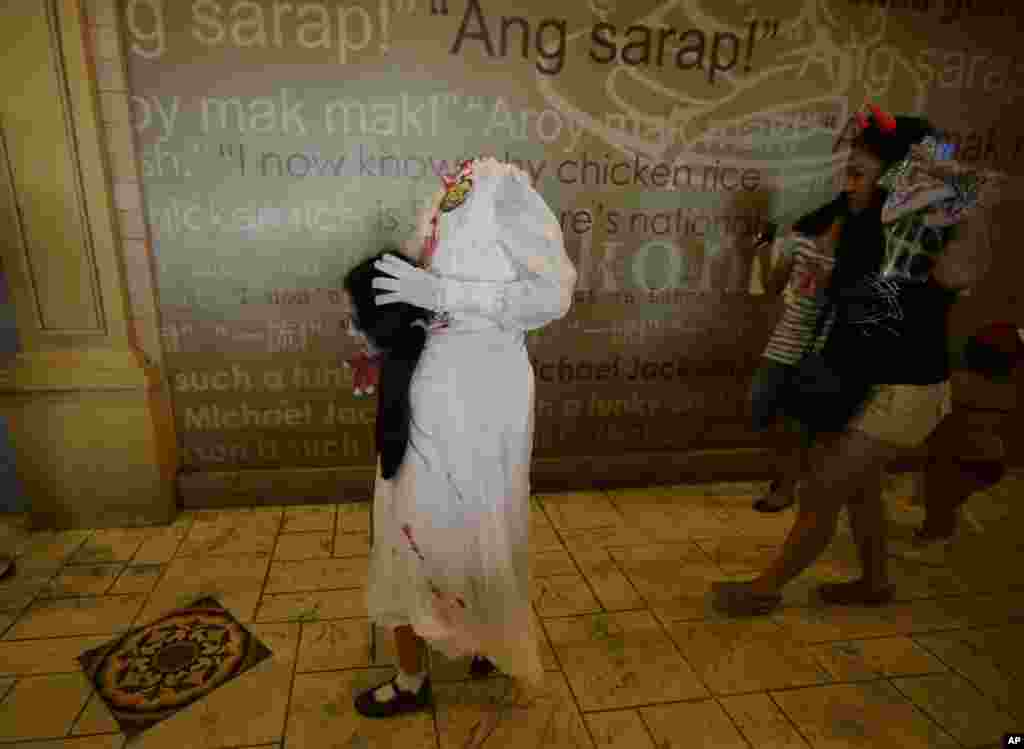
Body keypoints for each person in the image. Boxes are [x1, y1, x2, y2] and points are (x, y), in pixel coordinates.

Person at [712, 105, 1001, 615]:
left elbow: (963, 265)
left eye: (858, 174)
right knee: (860, 491)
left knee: (823, 490)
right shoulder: (863, 226)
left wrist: (958, 187)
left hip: (907, 391)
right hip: (866, 383)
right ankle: (875, 583)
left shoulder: (930, 235)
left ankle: (765, 589)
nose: (847, 184)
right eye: (847, 171)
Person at [354, 157, 577, 717]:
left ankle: (483, 636)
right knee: (406, 519)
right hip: (423, 381)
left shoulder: (505, 190)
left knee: (480, 516)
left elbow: (552, 297)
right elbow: (421, 299)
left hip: (483, 393)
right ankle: (413, 674)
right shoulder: (437, 197)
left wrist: (443, 292)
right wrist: (381, 333)